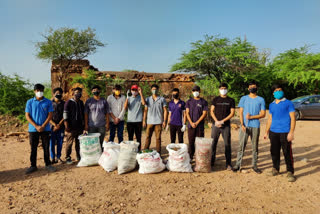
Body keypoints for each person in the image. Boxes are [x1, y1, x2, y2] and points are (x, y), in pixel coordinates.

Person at [264, 84, 296, 182]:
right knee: (274, 151)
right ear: (273, 93)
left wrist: (291, 132)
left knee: (287, 152)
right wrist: (266, 132)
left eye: (280, 90)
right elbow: (269, 119)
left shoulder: (288, 103)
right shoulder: (271, 105)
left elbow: (293, 118)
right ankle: (275, 169)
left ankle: (290, 171)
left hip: (285, 132)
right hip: (273, 132)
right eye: (276, 90)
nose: (279, 92)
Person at [233, 81, 266, 173]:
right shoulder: (244, 98)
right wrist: (242, 124)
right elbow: (240, 112)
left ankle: (254, 165)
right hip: (245, 126)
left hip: (255, 125)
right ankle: (237, 165)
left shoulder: (261, 99)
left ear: (257, 88)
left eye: (254, 86)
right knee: (241, 146)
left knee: (255, 146)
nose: (252, 88)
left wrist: (252, 117)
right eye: (251, 87)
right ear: (248, 88)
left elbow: (263, 114)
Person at [25, 83, 56, 174]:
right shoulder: (30, 102)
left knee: (46, 147)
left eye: (41, 90)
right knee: (33, 147)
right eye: (38, 90)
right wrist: (36, 126)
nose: (39, 92)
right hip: (33, 129)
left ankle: (48, 164)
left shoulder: (48, 102)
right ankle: (33, 165)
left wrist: (43, 126)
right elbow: (27, 116)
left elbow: (50, 115)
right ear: (34, 91)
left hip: (45, 129)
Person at [210, 83, 235, 170]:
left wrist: (223, 121)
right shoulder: (215, 99)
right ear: (219, 89)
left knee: (227, 144)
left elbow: (232, 113)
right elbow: (211, 111)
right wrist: (216, 121)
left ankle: (228, 164)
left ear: (227, 89)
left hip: (226, 126)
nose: (223, 90)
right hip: (215, 125)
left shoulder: (231, 100)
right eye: (221, 88)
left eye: (224, 88)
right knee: (213, 144)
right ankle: (211, 162)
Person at [143, 84, 167, 154]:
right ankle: (145, 151)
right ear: (151, 90)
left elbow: (165, 110)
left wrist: (164, 121)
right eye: (153, 89)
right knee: (147, 137)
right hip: (149, 121)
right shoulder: (147, 99)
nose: (154, 91)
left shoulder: (162, 99)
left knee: (158, 138)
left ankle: (158, 153)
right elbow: (145, 110)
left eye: (155, 89)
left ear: (158, 90)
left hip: (158, 121)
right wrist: (144, 120)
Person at [186, 85, 208, 159]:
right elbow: (187, 113)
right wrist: (191, 123)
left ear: (199, 91)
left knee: (200, 143)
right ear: (192, 92)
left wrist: (197, 122)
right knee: (191, 142)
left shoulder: (203, 102)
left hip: (200, 126)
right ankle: (190, 157)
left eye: (197, 91)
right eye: (194, 91)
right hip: (190, 126)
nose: (196, 92)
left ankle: (199, 158)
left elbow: (204, 113)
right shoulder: (189, 101)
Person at [63, 87, 85, 164]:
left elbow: (83, 114)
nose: (78, 94)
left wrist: (84, 125)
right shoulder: (68, 102)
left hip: (79, 127)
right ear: (73, 93)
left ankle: (78, 156)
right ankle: (68, 157)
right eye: (77, 92)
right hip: (71, 127)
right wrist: (66, 125)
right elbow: (65, 115)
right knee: (69, 143)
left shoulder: (81, 103)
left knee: (78, 143)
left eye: (79, 92)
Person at [124, 85, 146, 150]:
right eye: (133, 90)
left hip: (138, 121)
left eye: (135, 90)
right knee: (130, 137)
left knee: (138, 137)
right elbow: (125, 107)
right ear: (131, 90)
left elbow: (144, 103)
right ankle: (131, 150)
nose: (134, 91)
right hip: (130, 121)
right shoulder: (129, 98)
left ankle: (138, 150)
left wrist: (141, 93)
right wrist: (127, 98)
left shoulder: (140, 97)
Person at [49, 87, 65, 164]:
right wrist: (54, 125)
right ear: (53, 94)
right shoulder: (49, 103)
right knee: (51, 142)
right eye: (56, 93)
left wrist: (59, 125)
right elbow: (47, 116)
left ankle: (58, 157)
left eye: (60, 93)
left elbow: (65, 115)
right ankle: (52, 158)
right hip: (51, 127)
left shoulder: (64, 104)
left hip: (61, 127)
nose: (58, 94)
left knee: (60, 142)